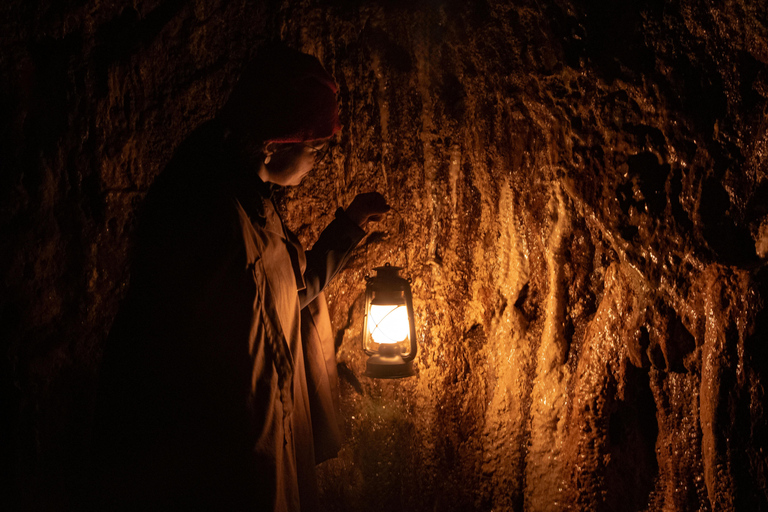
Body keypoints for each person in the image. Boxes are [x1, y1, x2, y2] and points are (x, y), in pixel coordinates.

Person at [92, 45, 388, 511]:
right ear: (275, 143)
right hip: (223, 458)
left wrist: (349, 226)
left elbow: (290, 288)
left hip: (259, 437)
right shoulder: (210, 215)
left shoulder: (251, 200)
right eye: (314, 148)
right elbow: (181, 358)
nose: (316, 161)